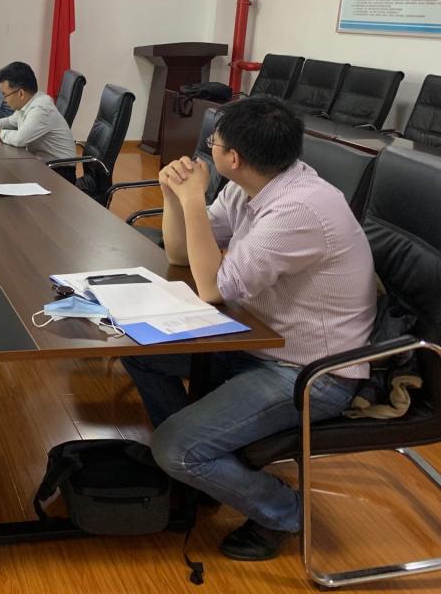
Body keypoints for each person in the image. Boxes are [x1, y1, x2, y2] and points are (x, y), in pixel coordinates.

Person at [121, 97, 375, 561]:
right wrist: (173, 196)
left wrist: (193, 197)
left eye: (213, 143)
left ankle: (285, 512)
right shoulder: (253, 185)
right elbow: (181, 255)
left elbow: (212, 288)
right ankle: (204, 471)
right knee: (143, 351)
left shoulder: (299, 210)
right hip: (254, 339)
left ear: (232, 158)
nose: (208, 149)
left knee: (175, 447)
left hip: (310, 373)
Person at [0, 61, 76, 161]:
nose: (3, 100)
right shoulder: (29, 103)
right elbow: (10, 121)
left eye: (5, 95)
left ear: (21, 93)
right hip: (40, 162)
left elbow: (19, 139)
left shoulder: (41, 109)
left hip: (59, 169)